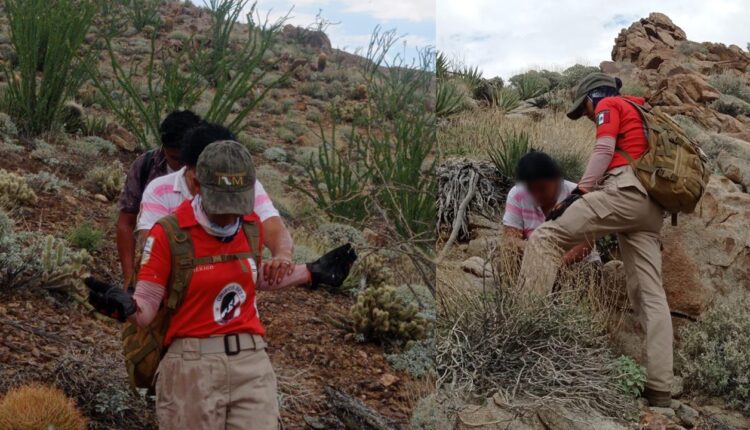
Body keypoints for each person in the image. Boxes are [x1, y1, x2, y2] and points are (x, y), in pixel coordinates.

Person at [87, 140, 355, 429]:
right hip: (191, 366)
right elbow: (147, 308)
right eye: (221, 204)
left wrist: (312, 272)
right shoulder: (169, 234)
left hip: (251, 362)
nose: (230, 214)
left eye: (236, 203)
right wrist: (125, 307)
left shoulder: (251, 227)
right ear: (195, 183)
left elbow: (250, 276)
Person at [516, 72, 671, 407]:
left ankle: (518, 338)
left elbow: (604, 147)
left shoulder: (610, 104)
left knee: (545, 237)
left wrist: (581, 191)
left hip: (625, 192)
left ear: (592, 97)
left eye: (583, 108)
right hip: (652, 209)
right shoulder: (642, 110)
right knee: (650, 294)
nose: (586, 115)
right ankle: (660, 389)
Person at [117, 110, 203, 286]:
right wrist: (129, 280)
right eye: (175, 158)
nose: (182, 165)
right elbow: (126, 222)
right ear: (164, 147)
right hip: (156, 262)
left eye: (186, 158)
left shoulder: (211, 172)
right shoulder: (145, 166)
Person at [503, 151, 599, 265]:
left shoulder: (576, 194)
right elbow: (510, 240)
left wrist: (556, 264)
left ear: (556, 180)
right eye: (531, 189)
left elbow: (586, 244)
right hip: (534, 260)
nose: (536, 195)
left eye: (542, 189)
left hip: (576, 264)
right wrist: (541, 253)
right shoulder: (517, 194)